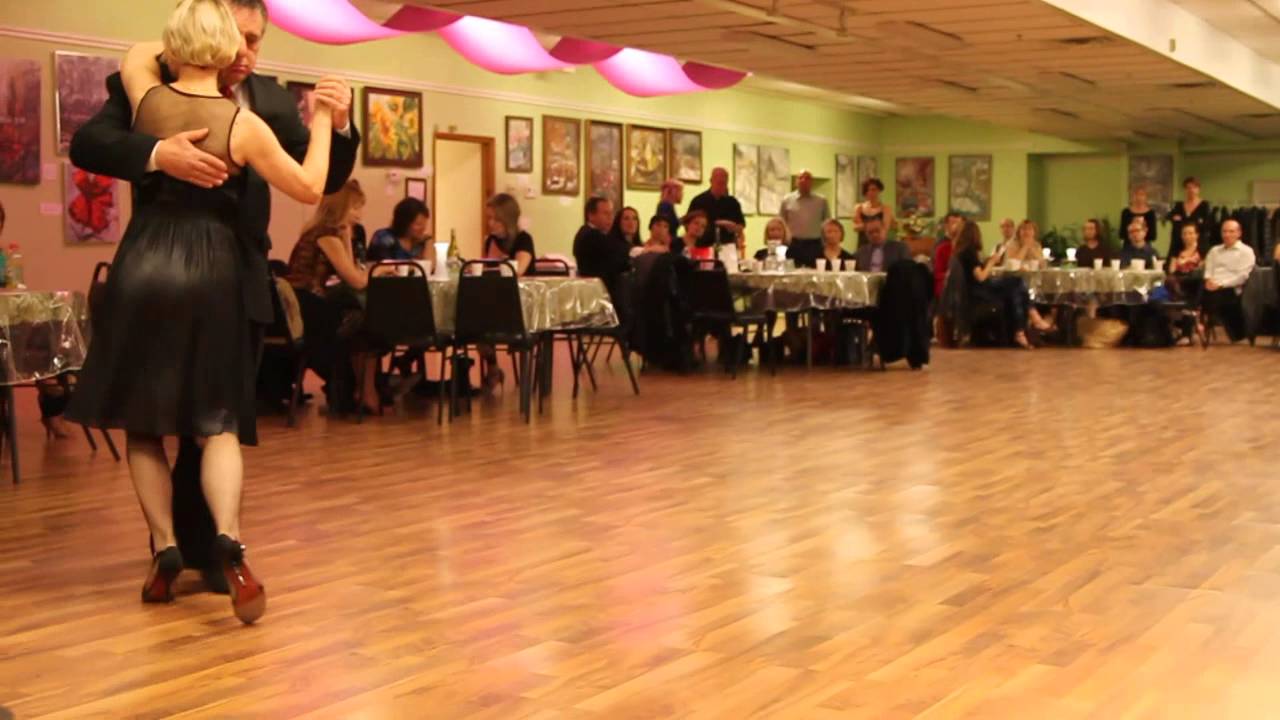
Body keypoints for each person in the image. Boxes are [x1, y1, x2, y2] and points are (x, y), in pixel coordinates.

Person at [70, 0, 358, 597]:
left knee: (144, 422)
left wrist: (343, 124)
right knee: (218, 419)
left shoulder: (153, 94)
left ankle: (177, 546)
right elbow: (310, 182)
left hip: (149, 264)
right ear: (225, 40)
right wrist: (156, 155)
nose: (248, 51)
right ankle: (220, 542)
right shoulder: (242, 123)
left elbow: (137, 56)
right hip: (215, 270)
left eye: (257, 39)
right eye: (239, 38)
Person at [286, 180, 383, 413]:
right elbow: (357, 280)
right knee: (366, 322)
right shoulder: (325, 236)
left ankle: (363, 390)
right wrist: (379, 271)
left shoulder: (326, 233)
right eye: (355, 207)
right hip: (306, 306)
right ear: (341, 208)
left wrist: (347, 236)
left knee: (362, 316)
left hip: (306, 301)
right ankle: (365, 391)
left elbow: (349, 269)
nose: (360, 213)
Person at [954, 220, 1032, 349]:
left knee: (1016, 287)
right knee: (1017, 284)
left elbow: (975, 271)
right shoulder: (969, 253)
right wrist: (992, 263)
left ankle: (1020, 330)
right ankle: (1022, 328)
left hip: (972, 289)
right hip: (978, 290)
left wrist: (987, 262)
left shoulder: (960, 252)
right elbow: (981, 277)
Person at [1199, 219, 1256, 342]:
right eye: (1224, 231)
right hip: (1211, 286)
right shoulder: (1214, 251)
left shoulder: (1246, 251)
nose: (1227, 235)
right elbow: (1208, 270)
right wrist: (1209, 281)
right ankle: (1197, 319)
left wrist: (1220, 285)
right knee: (1196, 287)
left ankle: (1199, 320)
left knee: (1207, 296)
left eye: (1231, 231)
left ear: (1239, 233)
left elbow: (1243, 276)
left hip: (1232, 288)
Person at [687, 167, 745, 250]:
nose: (721, 186)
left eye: (724, 183)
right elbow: (688, 225)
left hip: (727, 247)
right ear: (711, 181)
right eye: (719, 183)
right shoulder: (698, 201)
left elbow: (741, 225)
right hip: (703, 246)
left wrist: (733, 227)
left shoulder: (733, 203)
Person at [483, 193, 535, 275]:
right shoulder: (490, 239)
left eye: (497, 219)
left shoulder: (524, 239)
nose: (490, 223)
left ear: (508, 220)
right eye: (489, 218)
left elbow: (518, 270)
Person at [780, 170, 830, 252]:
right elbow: (781, 223)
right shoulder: (786, 200)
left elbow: (827, 223)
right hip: (792, 243)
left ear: (811, 182)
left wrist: (827, 243)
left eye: (807, 178)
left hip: (814, 244)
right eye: (800, 178)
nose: (803, 180)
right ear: (796, 182)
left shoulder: (821, 201)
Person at [1169, 176, 1212, 255]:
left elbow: (1207, 225)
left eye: (1194, 187)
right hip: (1179, 244)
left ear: (1198, 189)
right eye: (1188, 188)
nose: (1191, 190)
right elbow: (1172, 219)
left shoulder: (1205, 205)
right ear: (1185, 189)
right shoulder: (1179, 206)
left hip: (1199, 245)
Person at [853, 177, 895, 248]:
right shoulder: (859, 208)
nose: (871, 192)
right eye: (868, 190)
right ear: (865, 192)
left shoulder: (885, 209)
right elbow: (855, 227)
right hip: (863, 243)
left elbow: (885, 227)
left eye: (874, 190)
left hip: (880, 243)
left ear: (879, 191)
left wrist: (865, 226)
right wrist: (875, 226)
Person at [932, 211, 964, 299]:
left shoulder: (964, 243)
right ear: (946, 225)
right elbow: (936, 272)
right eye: (954, 223)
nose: (957, 227)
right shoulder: (940, 245)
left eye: (959, 223)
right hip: (946, 286)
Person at [657, 178, 684, 253]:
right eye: (681, 191)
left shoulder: (667, 205)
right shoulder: (665, 206)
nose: (682, 194)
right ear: (673, 192)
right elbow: (667, 226)